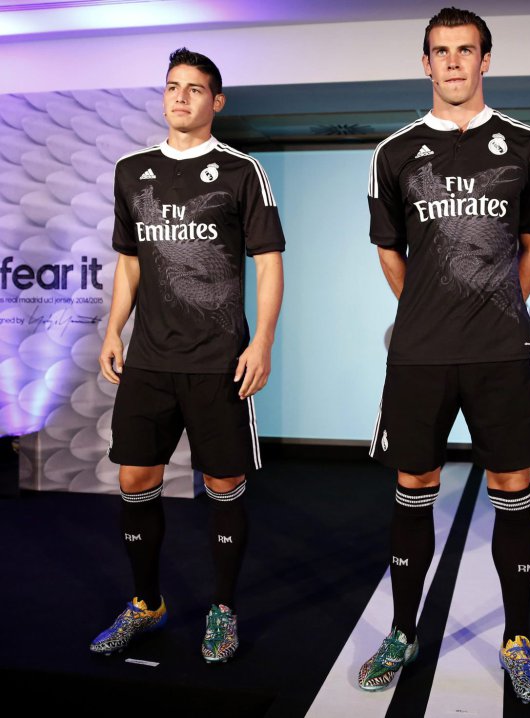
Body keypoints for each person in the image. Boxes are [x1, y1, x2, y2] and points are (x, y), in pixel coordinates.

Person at [359, 6, 530, 704]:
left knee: (511, 487)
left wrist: (501, 303)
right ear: (425, 63)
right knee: (415, 485)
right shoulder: (393, 152)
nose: (452, 62)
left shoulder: (528, 145)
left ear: (485, 60)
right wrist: (427, 307)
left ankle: (520, 639)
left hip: (501, 351)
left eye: (465, 50)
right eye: (440, 51)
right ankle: (403, 630)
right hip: (419, 354)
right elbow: (388, 247)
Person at [90, 47, 285, 663]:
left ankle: (222, 611)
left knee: (223, 484)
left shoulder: (240, 171)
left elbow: (269, 262)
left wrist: (263, 339)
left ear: (216, 102)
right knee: (135, 478)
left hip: (218, 360)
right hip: (148, 360)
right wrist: (113, 327)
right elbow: (129, 261)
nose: (181, 97)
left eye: (195, 89)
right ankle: (147, 603)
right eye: (173, 87)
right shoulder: (132, 170)